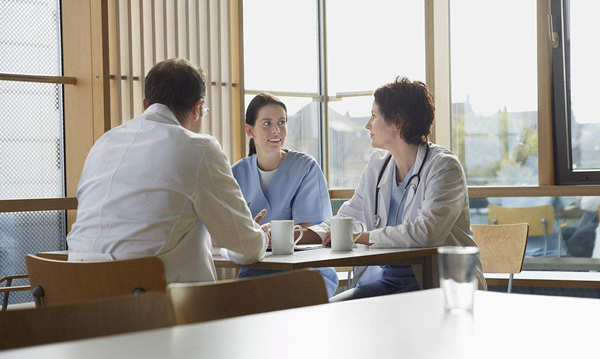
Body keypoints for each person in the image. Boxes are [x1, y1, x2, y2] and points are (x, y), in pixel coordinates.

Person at [67, 58, 268, 283]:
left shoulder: (103, 143)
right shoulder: (198, 148)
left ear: (145, 104)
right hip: (152, 306)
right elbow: (246, 246)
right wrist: (260, 237)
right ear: (197, 108)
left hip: (78, 298)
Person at [301, 77, 487, 302]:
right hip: (387, 282)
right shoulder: (377, 165)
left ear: (398, 121)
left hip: (436, 286)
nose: (367, 125)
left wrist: (361, 237)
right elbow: (346, 219)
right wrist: (295, 236)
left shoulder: (444, 166)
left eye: (374, 116)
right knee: (331, 309)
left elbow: (426, 233)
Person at [231, 93, 338, 297]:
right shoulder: (236, 173)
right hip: (256, 272)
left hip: (306, 272)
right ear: (249, 130)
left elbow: (314, 230)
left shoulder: (305, 168)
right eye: (267, 123)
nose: (276, 130)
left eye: (281, 122)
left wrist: (272, 235)